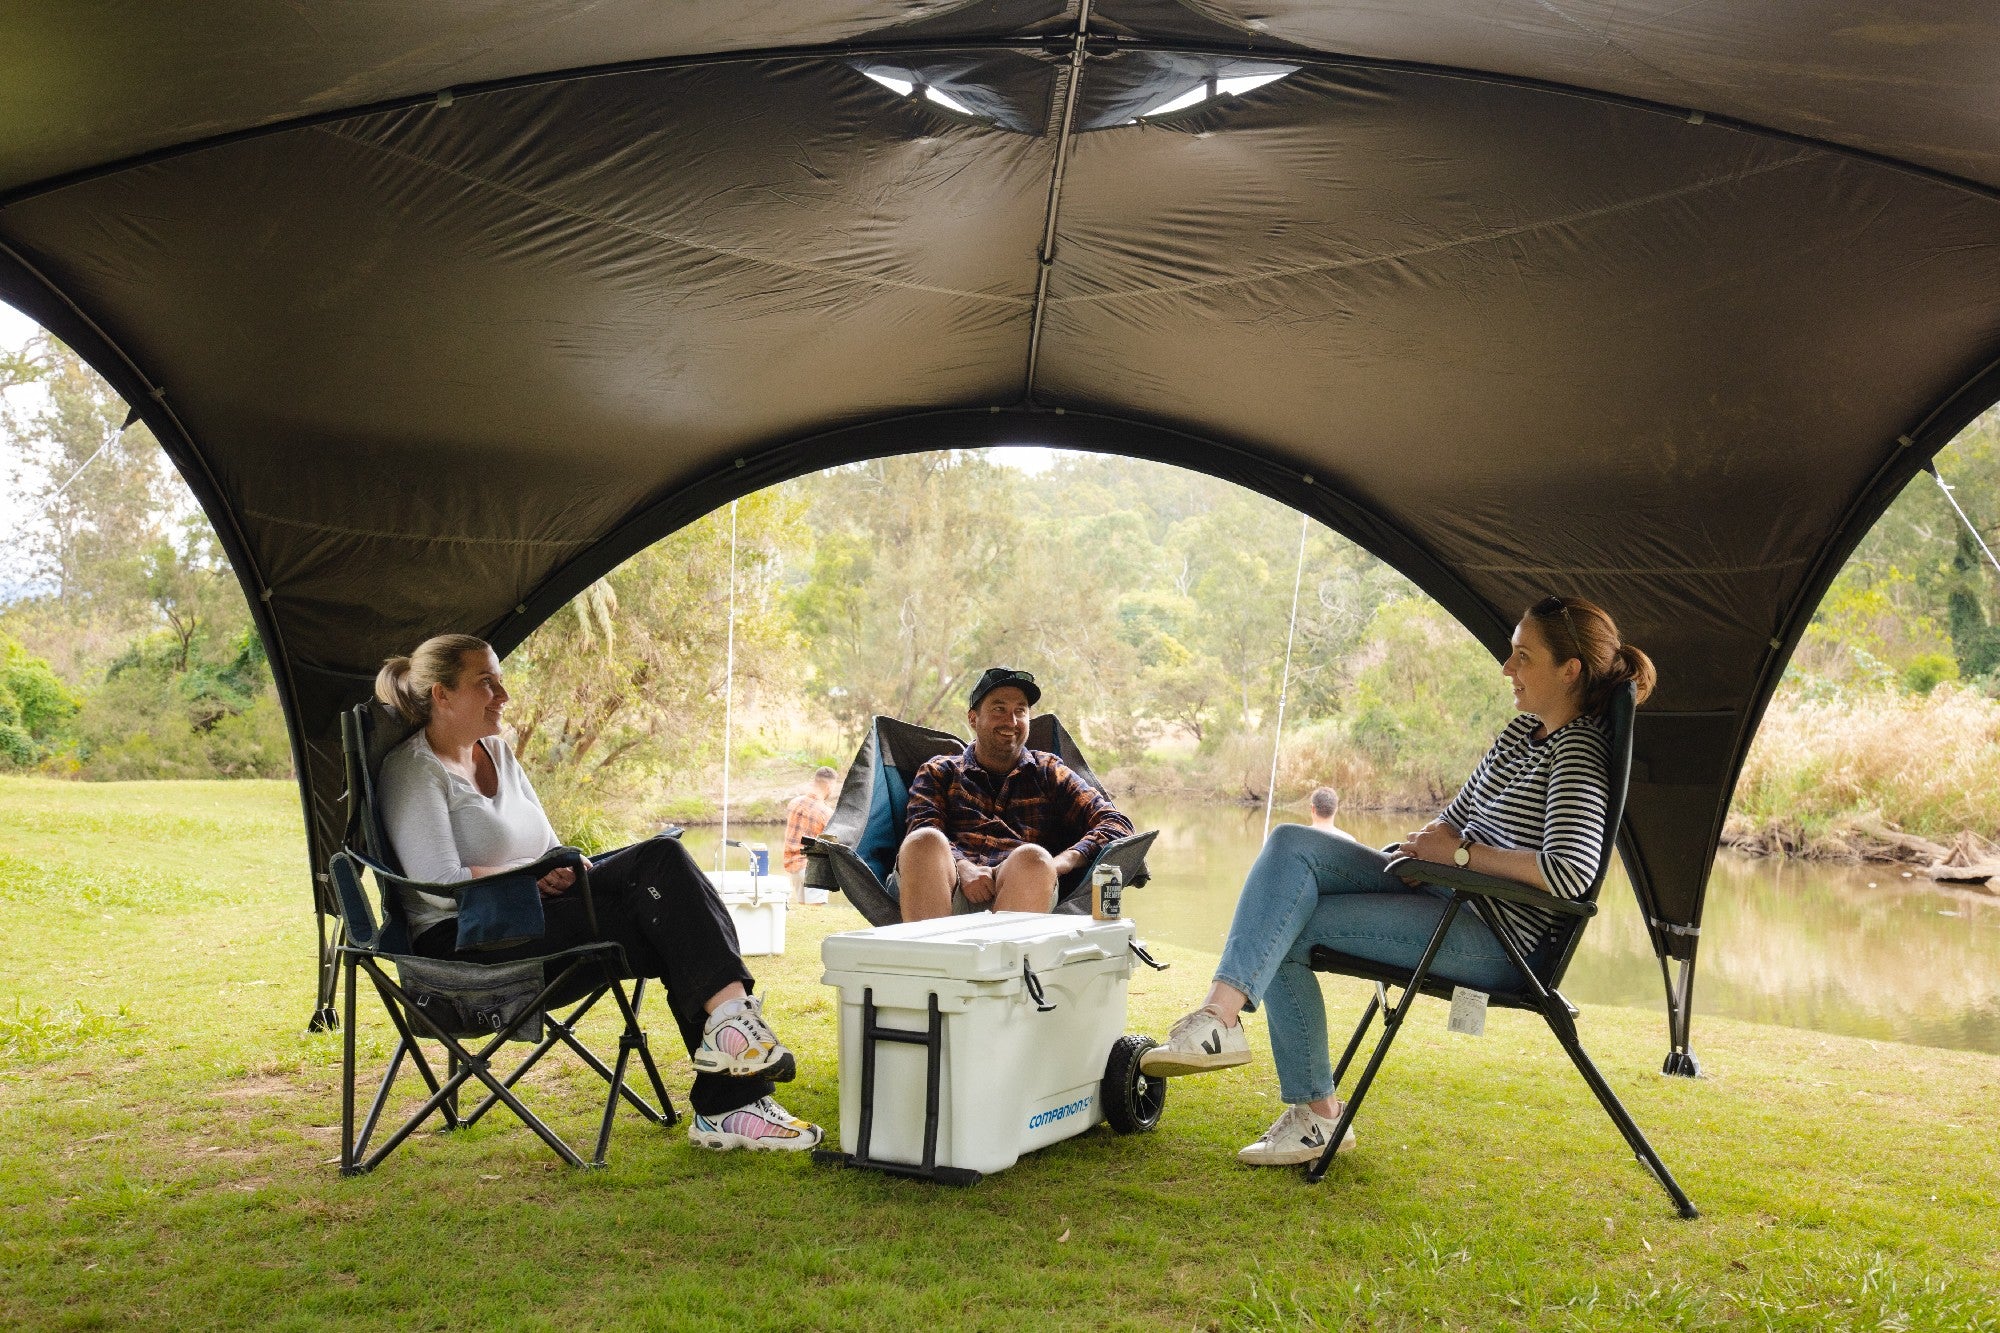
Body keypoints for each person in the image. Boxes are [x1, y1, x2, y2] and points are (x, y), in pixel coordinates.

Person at [1141, 597, 1652, 1166]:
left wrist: (1458, 856)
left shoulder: (1579, 750)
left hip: (1493, 936)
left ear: (1570, 670)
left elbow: (1569, 873)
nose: (1507, 669)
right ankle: (1220, 1019)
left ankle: (1315, 1115)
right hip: (1439, 888)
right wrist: (1422, 849)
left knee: (1286, 927)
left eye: (1523, 657)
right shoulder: (1521, 735)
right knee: (1290, 845)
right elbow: (1454, 817)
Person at [374, 634, 822, 1154]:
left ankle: (732, 1047)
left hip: (534, 910)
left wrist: (556, 868)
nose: (503, 694)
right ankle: (731, 1092)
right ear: (441, 695)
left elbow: (545, 846)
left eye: (500, 678)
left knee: (661, 863)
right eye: (485, 682)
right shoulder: (412, 770)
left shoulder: (496, 751)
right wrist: (528, 873)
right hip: (469, 940)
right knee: (662, 906)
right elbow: (440, 884)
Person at [895, 666, 1135, 923]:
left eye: (1020, 711)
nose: (1011, 721)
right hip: (949, 889)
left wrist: (1059, 863)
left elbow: (1116, 824)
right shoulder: (939, 771)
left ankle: (1004, 960)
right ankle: (930, 959)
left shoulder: (1049, 772)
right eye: (999, 709)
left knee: (1032, 857)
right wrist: (963, 867)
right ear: (973, 719)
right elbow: (923, 824)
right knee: (924, 840)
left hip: (1023, 890)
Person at [782, 766, 838, 902]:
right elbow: (833, 845)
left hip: (793, 865)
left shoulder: (793, 803)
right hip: (813, 868)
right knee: (815, 911)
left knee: (804, 910)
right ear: (829, 785)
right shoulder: (826, 813)